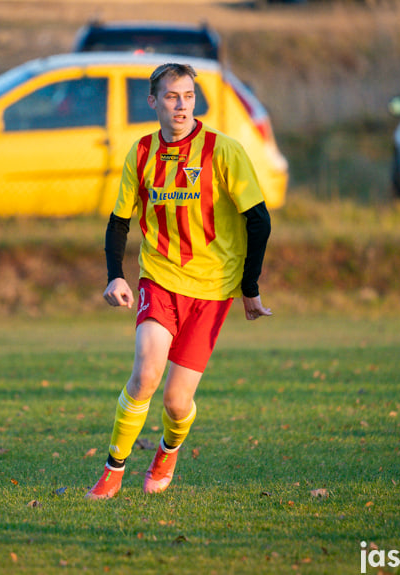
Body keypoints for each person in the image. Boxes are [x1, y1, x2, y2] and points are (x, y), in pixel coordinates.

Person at [86, 63, 273, 500]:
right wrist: (116, 275)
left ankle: (168, 451)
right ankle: (112, 472)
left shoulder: (223, 151)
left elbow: (259, 221)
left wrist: (249, 287)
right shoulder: (142, 152)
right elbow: (119, 222)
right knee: (146, 373)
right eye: (171, 96)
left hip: (212, 289)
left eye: (188, 96)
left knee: (175, 402)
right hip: (160, 277)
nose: (181, 105)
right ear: (153, 101)